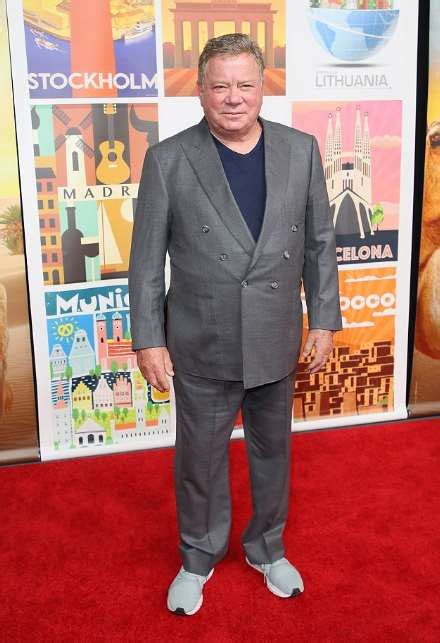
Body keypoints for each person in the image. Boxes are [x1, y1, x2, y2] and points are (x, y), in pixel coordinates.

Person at [128, 33, 342, 615]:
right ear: (200, 91)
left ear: (262, 87)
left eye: (245, 84)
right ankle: (197, 557)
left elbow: (320, 244)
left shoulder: (301, 150)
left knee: (273, 453)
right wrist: (148, 339)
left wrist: (323, 319)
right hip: (201, 339)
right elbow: (145, 263)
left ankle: (267, 548)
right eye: (219, 85)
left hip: (276, 334)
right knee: (199, 460)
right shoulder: (168, 159)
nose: (233, 97)